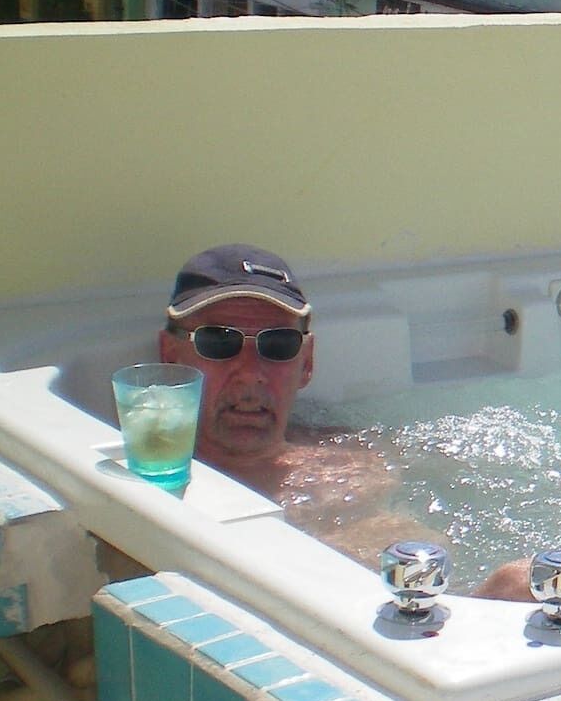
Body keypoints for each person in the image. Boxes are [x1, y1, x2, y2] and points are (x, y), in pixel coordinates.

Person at [159, 245, 530, 599]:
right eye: (219, 341)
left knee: (526, 579)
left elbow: (489, 476)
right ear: (171, 357)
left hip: (440, 615)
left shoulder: (344, 448)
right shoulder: (157, 490)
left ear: (306, 363)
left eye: (278, 345)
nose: (250, 372)